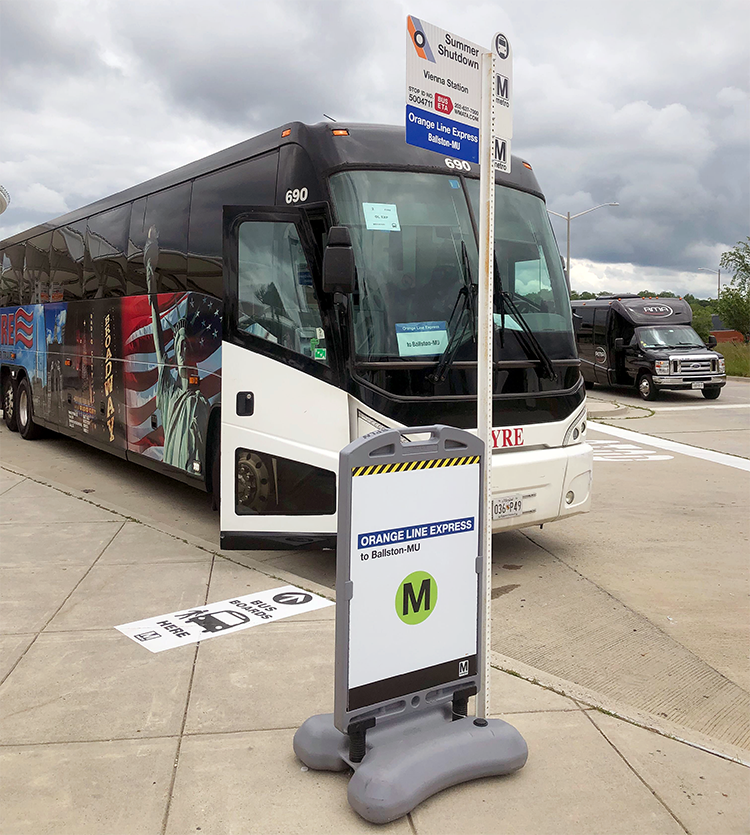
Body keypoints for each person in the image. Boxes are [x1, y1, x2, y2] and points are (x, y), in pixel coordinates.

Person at [145, 225, 209, 473]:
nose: (181, 352)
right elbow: (158, 335)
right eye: (178, 347)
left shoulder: (200, 401)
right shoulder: (169, 389)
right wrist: (151, 281)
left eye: (185, 347)